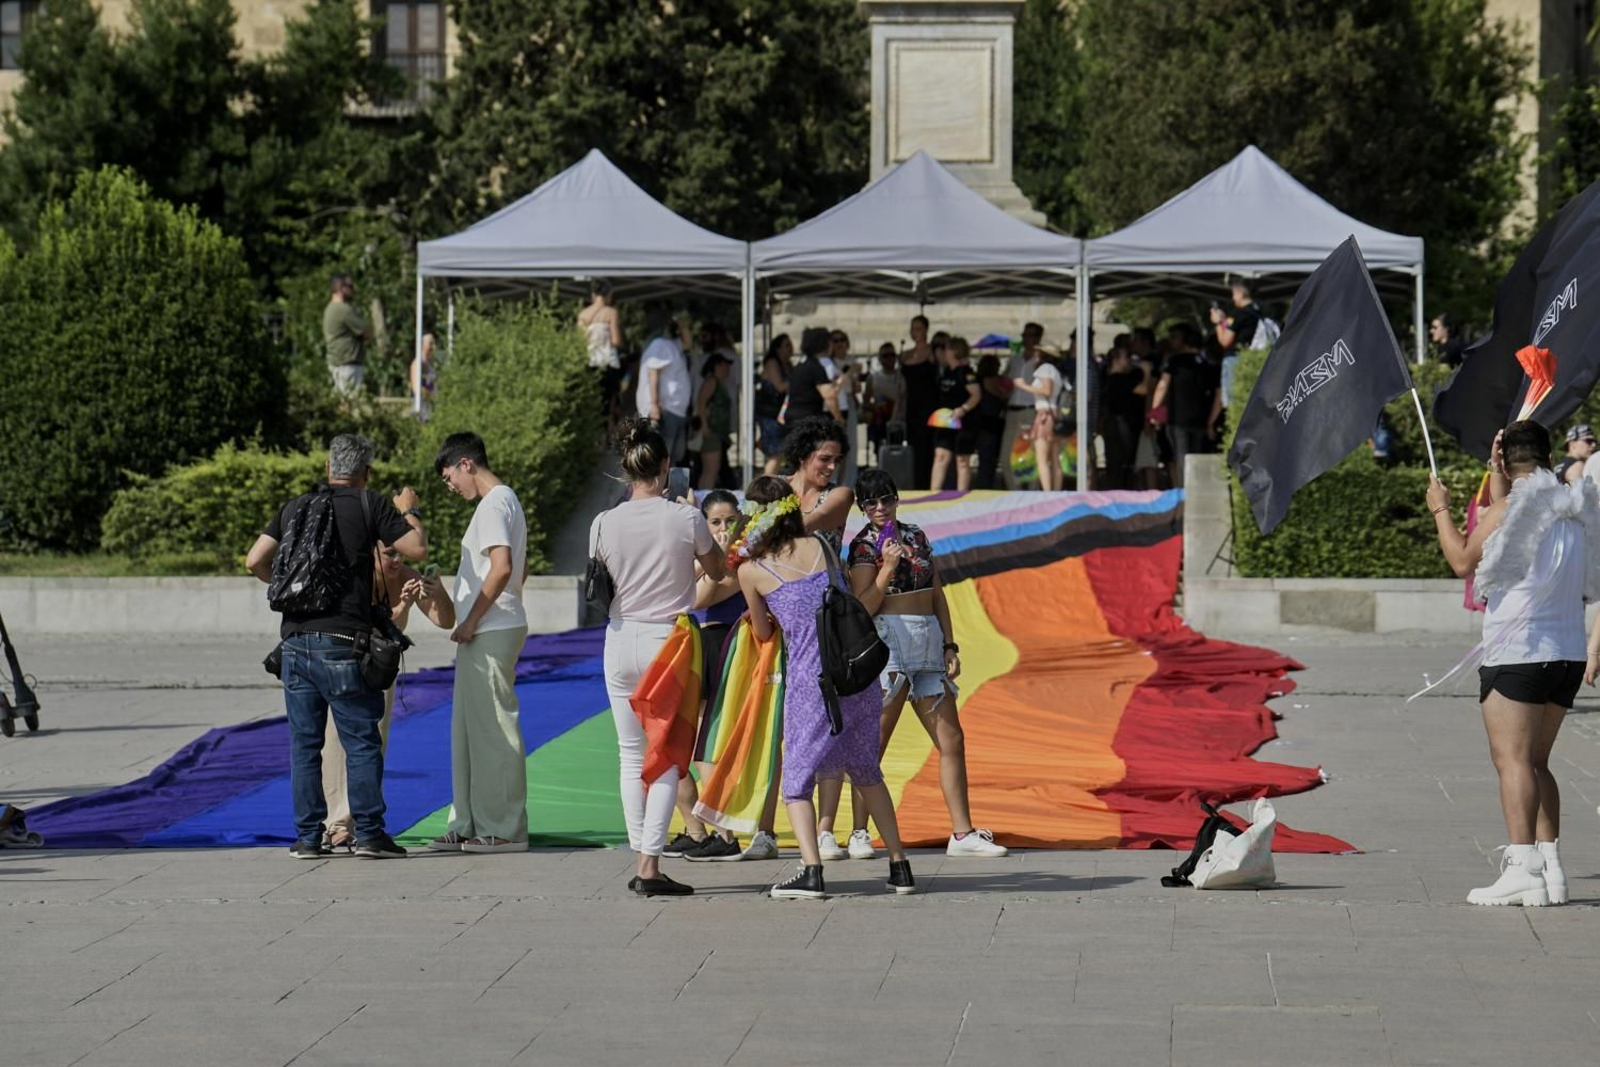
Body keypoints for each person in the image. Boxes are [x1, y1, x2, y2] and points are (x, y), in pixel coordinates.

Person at [1428, 421, 1593, 906]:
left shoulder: (1505, 508)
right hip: (1566, 652)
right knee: (1538, 762)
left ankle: (1522, 867)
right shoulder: (1574, 508)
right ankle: (1551, 869)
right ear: (1549, 457)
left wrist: (1440, 509)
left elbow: (1461, 560)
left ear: (1503, 462)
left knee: (1513, 762)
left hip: (1518, 652)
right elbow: (1516, 517)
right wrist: (1497, 473)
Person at [245, 434, 426, 860]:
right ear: (366, 473)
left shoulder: (295, 507)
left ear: (329, 469)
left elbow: (254, 560)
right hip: (344, 640)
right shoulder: (370, 504)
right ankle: (369, 835)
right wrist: (409, 511)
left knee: (305, 745)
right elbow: (417, 547)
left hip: (293, 642)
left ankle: (309, 838)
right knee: (361, 740)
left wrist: (290, 590)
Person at [735, 476, 917, 899]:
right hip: (855, 673)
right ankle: (900, 865)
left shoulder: (752, 571)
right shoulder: (820, 546)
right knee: (867, 771)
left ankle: (811, 871)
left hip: (811, 682)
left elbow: (763, 633)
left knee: (797, 781)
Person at [823, 468, 1010, 858]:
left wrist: (950, 642)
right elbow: (863, 606)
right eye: (870, 502)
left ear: (897, 498)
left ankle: (962, 833)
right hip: (888, 642)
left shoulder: (917, 535)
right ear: (861, 507)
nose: (880, 507)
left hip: (926, 639)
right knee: (874, 742)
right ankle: (859, 831)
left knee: (951, 739)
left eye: (886, 498)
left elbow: (937, 591)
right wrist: (887, 567)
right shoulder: (862, 546)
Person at [589, 419, 728, 896]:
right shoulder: (685, 518)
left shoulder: (603, 522)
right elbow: (717, 569)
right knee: (668, 756)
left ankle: (639, 855)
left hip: (618, 636)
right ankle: (650, 865)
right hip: (666, 642)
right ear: (666, 467)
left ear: (626, 471)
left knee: (630, 754)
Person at [320, 536, 455, 851]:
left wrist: (438, 592)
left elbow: (445, 620)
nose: (396, 561)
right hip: (346, 661)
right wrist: (402, 605)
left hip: (379, 668)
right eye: (389, 554)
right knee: (336, 742)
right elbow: (372, 629)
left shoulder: (407, 576)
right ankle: (336, 823)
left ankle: (356, 821)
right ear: (372, 552)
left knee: (374, 743)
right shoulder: (357, 576)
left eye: (400, 554)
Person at [431, 432, 531, 854]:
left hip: (488, 629)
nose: (449, 485)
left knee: (491, 730)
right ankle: (469, 820)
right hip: (488, 627)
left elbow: (503, 567)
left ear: (467, 463)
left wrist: (472, 619)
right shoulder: (504, 503)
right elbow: (515, 572)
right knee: (469, 732)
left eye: (449, 475)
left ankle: (504, 828)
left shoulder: (494, 504)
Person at [664, 490, 754, 862]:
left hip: (732, 643)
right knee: (679, 741)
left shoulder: (744, 555)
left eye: (728, 521)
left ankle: (724, 832)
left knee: (708, 743)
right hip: (706, 641)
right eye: (713, 522)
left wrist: (705, 560)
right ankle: (696, 829)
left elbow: (696, 597)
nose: (722, 529)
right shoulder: (713, 556)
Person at [1148, 324, 1216, 488]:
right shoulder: (1207, 364)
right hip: (1200, 419)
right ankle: (1197, 493)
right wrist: (1210, 422)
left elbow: (1162, 386)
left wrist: (1155, 413)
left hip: (1178, 418)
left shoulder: (1175, 361)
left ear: (1185, 343)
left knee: (1181, 458)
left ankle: (1184, 496)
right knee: (1198, 459)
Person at [636, 313, 694, 462]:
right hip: (665, 410)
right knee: (662, 458)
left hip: (676, 410)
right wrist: (654, 405)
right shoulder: (659, 344)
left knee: (673, 457)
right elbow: (652, 373)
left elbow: (688, 343)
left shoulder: (672, 345)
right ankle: (660, 486)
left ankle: (667, 485)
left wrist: (683, 325)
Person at [929, 336, 982, 492]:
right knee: (940, 455)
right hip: (946, 421)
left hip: (964, 421)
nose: (944, 352)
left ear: (954, 351)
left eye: (947, 349)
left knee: (962, 460)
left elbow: (976, 394)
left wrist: (963, 409)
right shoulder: (946, 371)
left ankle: (962, 494)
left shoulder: (966, 373)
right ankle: (934, 492)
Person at [1016, 345, 1066, 491]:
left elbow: (1047, 390)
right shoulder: (1056, 371)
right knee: (1055, 459)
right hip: (1054, 414)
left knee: (1042, 458)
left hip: (1044, 415)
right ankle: (1056, 491)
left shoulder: (1045, 368)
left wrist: (1024, 386)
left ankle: (1047, 493)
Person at [1001, 323, 1045, 490]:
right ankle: (1016, 494)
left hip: (1032, 411)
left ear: (1038, 338)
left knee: (1032, 456)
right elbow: (1005, 384)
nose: (1027, 339)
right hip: (1012, 411)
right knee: (1006, 458)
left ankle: (1032, 495)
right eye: (1025, 336)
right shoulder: (1015, 359)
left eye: (1031, 335)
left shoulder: (1042, 361)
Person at [1100, 344, 1149, 490]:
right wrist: (1146, 372)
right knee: (1122, 462)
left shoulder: (1109, 378)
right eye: (1125, 357)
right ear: (1116, 360)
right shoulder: (1118, 379)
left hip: (1114, 424)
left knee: (1116, 463)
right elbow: (1143, 389)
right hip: (1120, 426)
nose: (1128, 361)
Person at [900, 316, 940, 489]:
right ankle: (916, 484)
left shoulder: (933, 352)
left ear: (926, 330)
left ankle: (929, 484)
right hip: (912, 408)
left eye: (918, 328)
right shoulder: (904, 355)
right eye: (912, 328)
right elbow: (901, 388)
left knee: (927, 448)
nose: (914, 331)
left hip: (930, 406)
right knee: (914, 447)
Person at [323, 274, 371, 399]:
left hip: (338, 364)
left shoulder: (330, 308)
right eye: (349, 286)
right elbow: (366, 332)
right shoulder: (344, 310)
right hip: (347, 366)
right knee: (350, 405)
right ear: (340, 287)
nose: (353, 289)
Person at [784, 327, 840, 428]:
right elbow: (829, 396)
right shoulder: (816, 367)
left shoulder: (801, 365)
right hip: (808, 419)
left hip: (793, 417)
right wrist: (838, 418)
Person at [694, 350, 734, 490]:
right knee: (710, 471)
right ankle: (704, 498)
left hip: (716, 433)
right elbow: (702, 403)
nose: (727, 369)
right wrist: (705, 426)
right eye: (725, 365)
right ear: (717, 365)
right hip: (711, 433)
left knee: (711, 471)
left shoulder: (717, 383)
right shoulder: (711, 381)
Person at [972, 354, 1010, 491]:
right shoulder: (990, 380)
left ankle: (984, 485)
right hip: (990, 423)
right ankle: (985, 486)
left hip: (982, 422)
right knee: (988, 459)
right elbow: (1002, 395)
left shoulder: (978, 380)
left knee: (985, 458)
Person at [757, 339, 791, 474]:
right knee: (775, 452)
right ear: (778, 348)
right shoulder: (772, 363)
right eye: (787, 345)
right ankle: (766, 483)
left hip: (780, 412)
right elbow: (780, 386)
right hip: (770, 412)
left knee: (778, 452)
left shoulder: (786, 364)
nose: (791, 349)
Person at [865, 343, 903, 464]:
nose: (890, 358)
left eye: (892, 355)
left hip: (897, 421)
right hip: (879, 421)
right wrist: (875, 407)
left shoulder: (901, 377)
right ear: (880, 358)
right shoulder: (873, 378)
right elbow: (866, 401)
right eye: (885, 355)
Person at [578, 279, 622, 370]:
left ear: (593, 294)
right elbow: (616, 341)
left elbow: (580, 341)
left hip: (590, 360)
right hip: (607, 361)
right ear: (609, 294)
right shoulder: (611, 313)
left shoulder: (582, 314)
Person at [409, 331, 439, 422]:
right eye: (430, 343)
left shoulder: (431, 364)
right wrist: (432, 395)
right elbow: (416, 389)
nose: (433, 347)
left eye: (434, 343)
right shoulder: (417, 364)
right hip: (421, 407)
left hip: (430, 407)